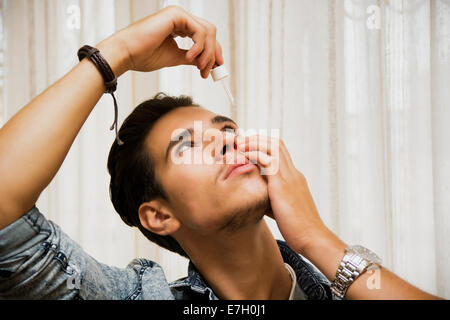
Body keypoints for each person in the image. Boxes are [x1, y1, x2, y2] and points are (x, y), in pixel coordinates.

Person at [0, 6, 442, 300]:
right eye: (187, 146)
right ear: (159, 216)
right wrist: (119, 53)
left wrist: (315, 240)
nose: (225, 140)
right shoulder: (138, 295)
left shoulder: (353, 280)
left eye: (226, 128)